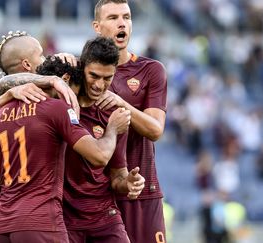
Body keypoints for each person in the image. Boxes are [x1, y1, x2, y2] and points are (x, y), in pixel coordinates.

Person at [0, 36, 146, 242]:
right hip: (62, 219)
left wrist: (129, 183)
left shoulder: (113, 116)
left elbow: (117, 176)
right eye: (94, 76)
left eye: (107, 79)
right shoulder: (48, 103)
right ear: (81, 71)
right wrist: (15, 92)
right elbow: (4, 82)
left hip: (104, 217)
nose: (100, 85)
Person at [92, 1, 168, 242]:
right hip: (97, 196)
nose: (122, 22)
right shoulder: (83, 73)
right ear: (97, 26)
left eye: (126, 16)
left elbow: (155, 130)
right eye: (113, 17)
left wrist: (119, 103)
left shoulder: (150, 70)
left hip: (142, 191)